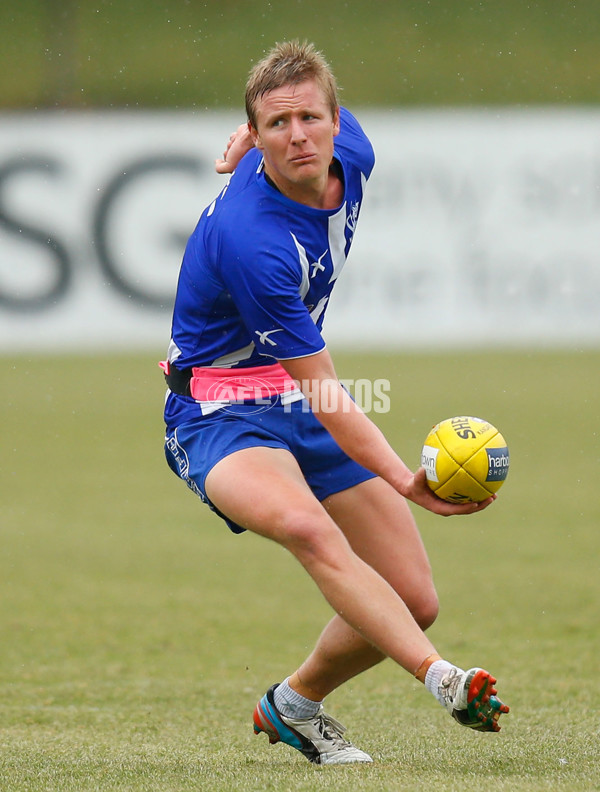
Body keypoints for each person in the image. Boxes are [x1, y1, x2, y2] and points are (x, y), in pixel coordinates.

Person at [161, 40, 509, 766]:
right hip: (218, 413)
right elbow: (325, 389)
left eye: (309, 118)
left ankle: (293, 703)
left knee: (413, 598)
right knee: (307, 527)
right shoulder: (254, 241)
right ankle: (442, 678)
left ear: (336, 120)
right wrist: (402, 479)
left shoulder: (353, 151)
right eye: (275, 125)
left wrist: (246, 136)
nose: (299, 136)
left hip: (291, 394)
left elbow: (311, 392)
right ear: (257, 136)